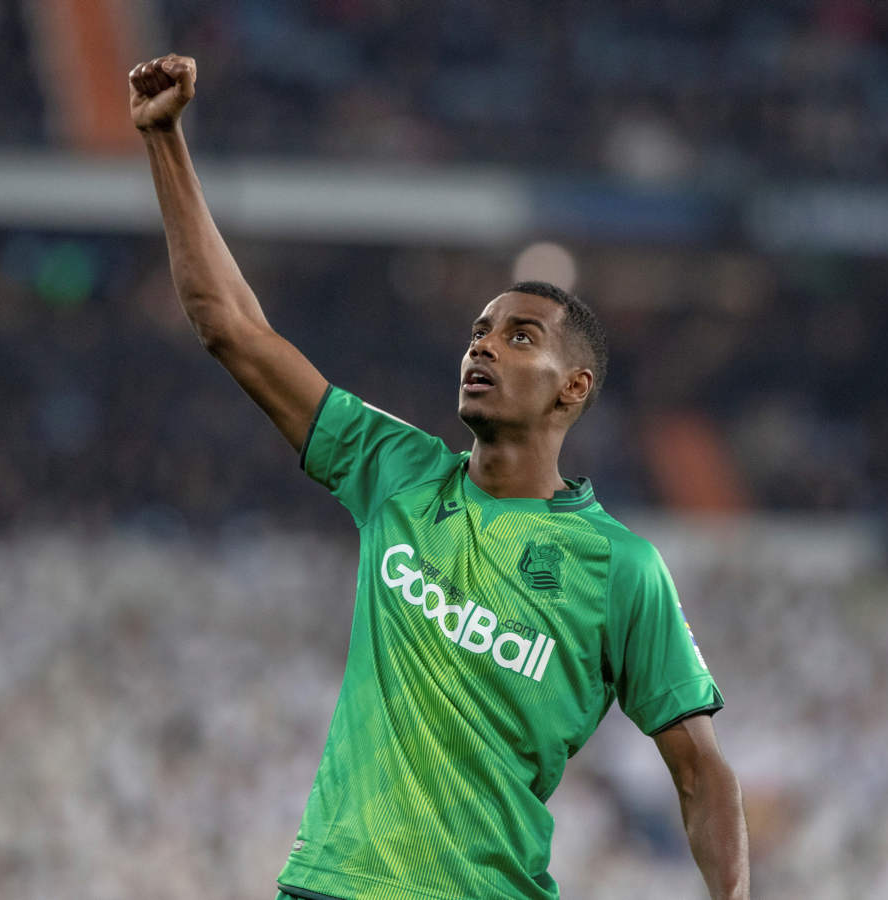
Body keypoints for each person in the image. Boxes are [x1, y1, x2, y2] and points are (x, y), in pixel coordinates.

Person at [129, 53, 750, 900]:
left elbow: (701, 774)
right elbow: (228, 324)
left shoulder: (620, 570)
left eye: (519, 336)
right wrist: (164, 138)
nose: (483, 345)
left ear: (575, 388)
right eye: (477, 331)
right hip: (330, 887)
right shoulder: (396, 468)